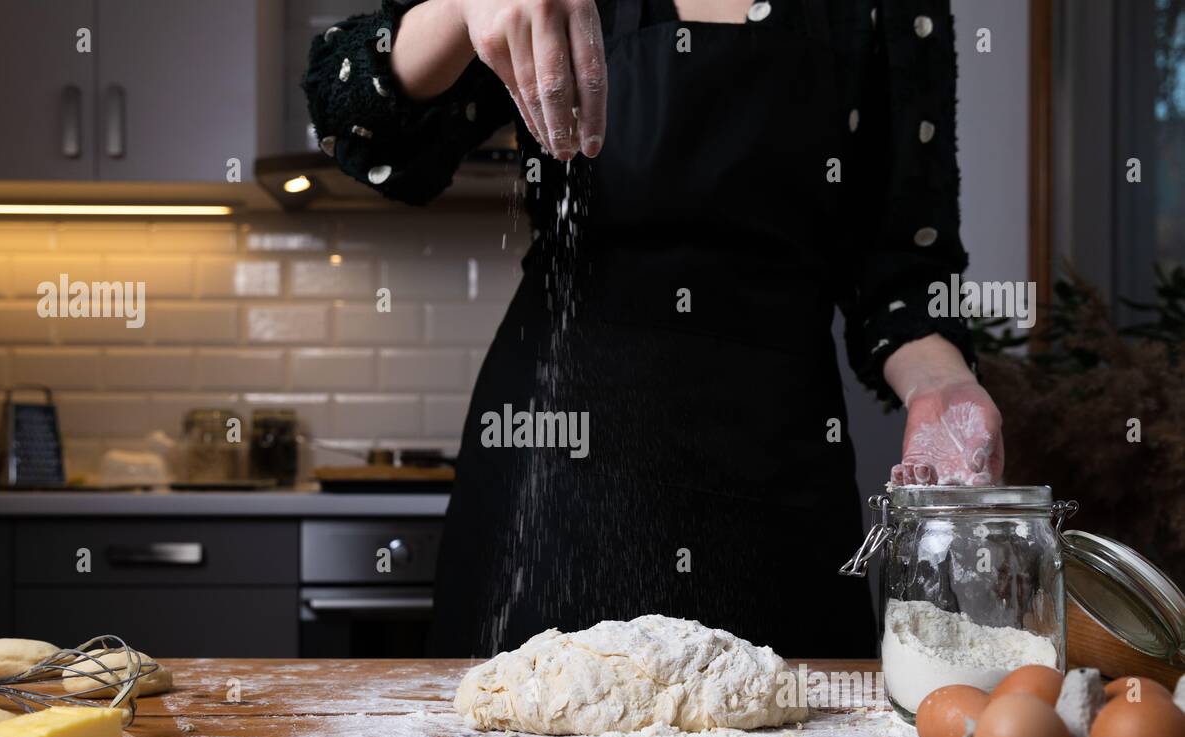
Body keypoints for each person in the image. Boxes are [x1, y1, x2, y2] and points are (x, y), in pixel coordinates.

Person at [303, 0, 1004, 658]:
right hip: (556, 474)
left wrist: (943, 386)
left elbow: (904, 273)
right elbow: (358, 120)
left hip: (780, 480)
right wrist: (462, 6)